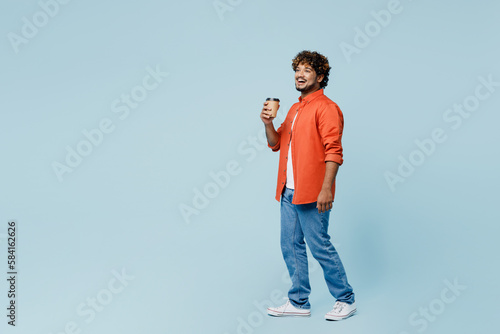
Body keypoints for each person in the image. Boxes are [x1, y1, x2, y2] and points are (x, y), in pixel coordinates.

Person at [260, 50, 356, 321]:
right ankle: (299, 301)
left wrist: (326, 189)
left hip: (314, 193)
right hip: (289, 191)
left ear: (320, 77)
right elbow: (276, 143)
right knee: (290, 245)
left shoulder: (327, 108)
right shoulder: (293, 108)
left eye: (307, 70)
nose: (300, 75)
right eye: (297, 70)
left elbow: (333, 152)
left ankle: (346, 299)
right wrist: (268, 123)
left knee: (319, 246)